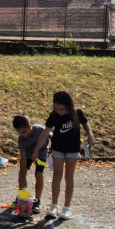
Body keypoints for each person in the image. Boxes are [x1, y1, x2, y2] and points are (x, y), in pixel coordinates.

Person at [33, 91, 96, 220]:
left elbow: (86, 125)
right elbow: (45, 133)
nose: (59, 111)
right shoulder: (54, 115)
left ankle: (67, 208)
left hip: (72, 150)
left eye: (62, 109)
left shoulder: (77, 113)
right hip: (57, 149)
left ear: (69, 105)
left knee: (69, 176)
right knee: (57, 175)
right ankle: (54, 206)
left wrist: (90, 135)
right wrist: (36, 150)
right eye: (56, 108)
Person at [14, 115, 50, 214]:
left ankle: (37, 201)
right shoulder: (21, 139)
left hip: (42, 152)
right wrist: (23, 171)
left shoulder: (40, 130)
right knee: (22, 173)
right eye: (19, 133)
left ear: (30, 126)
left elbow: (53, 137)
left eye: (24, 132)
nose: (22, 135)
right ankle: (22, 197)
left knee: (38, 174)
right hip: (29, 154)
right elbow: (23, 157)